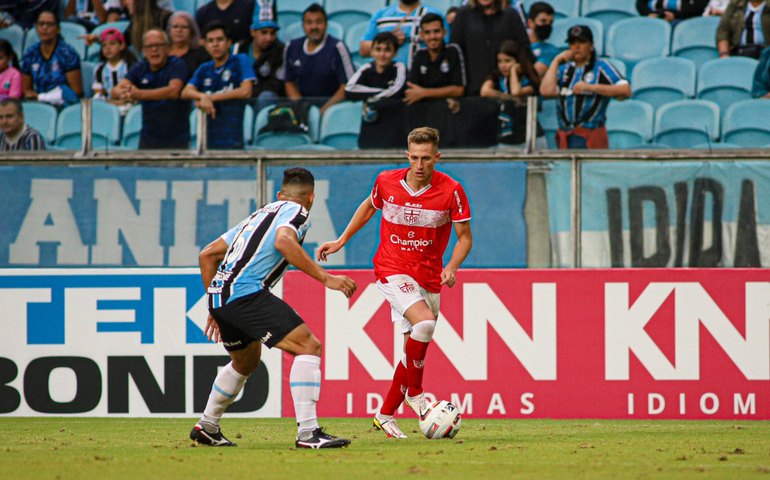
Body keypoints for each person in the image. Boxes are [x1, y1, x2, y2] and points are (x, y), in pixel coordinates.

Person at [317, 127, 473, 439]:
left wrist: (452, 266)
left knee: (411, 350)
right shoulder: (386, 181)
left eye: (426, 158)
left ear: (437, 157)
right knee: (425, 325)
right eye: (414, 158)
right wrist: (342, 240)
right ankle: (416, 395)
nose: (419, 165)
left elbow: (465, 238)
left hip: (429, 276)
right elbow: (367, 208)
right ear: (407, 155)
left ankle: (385, 414)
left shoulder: (451, 190)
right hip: (392, 269)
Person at [192, 167, 355, 449]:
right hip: (245, 293)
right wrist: (327, 278)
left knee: (246, 361)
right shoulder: (298, 212)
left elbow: (208, 255)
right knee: (308, 346)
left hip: (221, 295)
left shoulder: (257, 216)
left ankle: (207, 425)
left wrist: (215, 303)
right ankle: (308, 433)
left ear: (280, 194)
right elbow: (283, 241)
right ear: (311, 198)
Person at [540, 25, 630, 149]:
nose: (576, 47)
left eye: (581, 42)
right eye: (572, 42)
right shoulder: (564, 69)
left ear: (591, 45)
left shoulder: (601, 66)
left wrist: (590, 87)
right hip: (565, 134)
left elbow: (625, 90)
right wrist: (556, 60)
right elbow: (546, 91)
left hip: (590, 133)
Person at [182, 22, 255, 149]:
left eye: (219, 40)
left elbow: (246, 91)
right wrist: (202, 96)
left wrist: (209, 98)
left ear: (229, 43)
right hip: (209, 136)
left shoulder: (240, 60)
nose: (215, 44)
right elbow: (185, 92)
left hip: (234, 135)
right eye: (210, 41)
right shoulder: (204, 68)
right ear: (205, 45)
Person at [112, 29, 190, 149]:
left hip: (177, 137)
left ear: (168, 48)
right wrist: (124, 93)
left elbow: (173, 91)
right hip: (148, 137)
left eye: (159, 45)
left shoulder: (177, 64)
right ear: (143, 50)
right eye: (149, 46)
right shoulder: (140, 67)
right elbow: (115, 91)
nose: (154, 50)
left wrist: (139, 94)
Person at [282, 3, 355, 114]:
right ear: (303, 25)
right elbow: (289, 82)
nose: (314, 27)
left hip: (332, 109)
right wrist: (301, 108)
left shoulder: (338, 47)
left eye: (319, 22)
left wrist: (323, 111)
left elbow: (348, 85)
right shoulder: (291, 47)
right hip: (303, 109)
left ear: (326, 24)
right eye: (309, 22)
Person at [450, 0, 533, 96]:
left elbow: (524, 52)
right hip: (471, 93)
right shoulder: (463, 15)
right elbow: (455, 53)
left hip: (505, 91)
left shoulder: (510, 15)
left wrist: (514, 72)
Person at [481, 39, 546, 149]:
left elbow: (516, 92)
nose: (503, 65)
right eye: (500, 61)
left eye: (507, 61)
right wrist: (508, 98)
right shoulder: (498, 78)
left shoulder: (529, 80)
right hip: (507, 137)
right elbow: (485, 91)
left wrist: (514, 71)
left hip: (531, 138)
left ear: (518, 61)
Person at [20, 11, 83, 106]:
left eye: (49, 24)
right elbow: (26, 88)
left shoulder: (68, 53)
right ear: (36, 28)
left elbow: (76, 91)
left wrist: (45, 97)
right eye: (41, 24)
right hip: (38, 102)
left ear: (58, 29)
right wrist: (30, 94)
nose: (44, 27)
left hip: (63, 103)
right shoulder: (31, 53)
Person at [360, 0, 445, 70]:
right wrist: (390, 41)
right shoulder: (381, 15)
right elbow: (364, 50)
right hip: (387, 79)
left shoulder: (434, 15)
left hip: (422, 79)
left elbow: (446, 48)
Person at [405, 13, 466, 106]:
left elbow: (458, 90)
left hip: (447, 109)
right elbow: (412, 90)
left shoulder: (453, 51)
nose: (432, 36)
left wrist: (424, 93)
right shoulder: (419, 55)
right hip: (424, 110)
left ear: (444, 32)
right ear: (421, 35)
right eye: (427, 32)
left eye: (436, 31)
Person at [233, 1, 285, 107]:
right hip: (239, 98)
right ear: (253, 32)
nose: (269, 38)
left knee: (266, 97)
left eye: (272, 33)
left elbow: (276, 85)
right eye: (264, 32)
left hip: (264, 103)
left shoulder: (281, 51)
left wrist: (248, 90)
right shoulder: (239, 48)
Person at [92, 28, 136, 113]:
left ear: (122, 46)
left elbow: (133, 91)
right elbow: (98, 94)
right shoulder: (99, 69)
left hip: (128, 105)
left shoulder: (130, 66)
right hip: (107, 106)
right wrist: (112, 103)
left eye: (112, 44)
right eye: (104, 45)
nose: (108, 48)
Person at [167, 11, 210, 82]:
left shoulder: (202, 54)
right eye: (175, 27)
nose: (179, 30)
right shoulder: (162, 53)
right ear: (169, 31)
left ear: (192, 31)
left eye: (184, 27)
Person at [527, 1, 559, 78]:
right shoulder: (518, 45)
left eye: (550, 22)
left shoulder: (551, 51)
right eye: (543, 21)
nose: (547, 25)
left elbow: (534, 74)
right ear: (530, 22)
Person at [636, 0, 709, 23]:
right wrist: (649, 14)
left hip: (680, 20)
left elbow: (698, 9)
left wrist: (674, 15)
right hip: (652, 18)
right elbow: (640, 3)